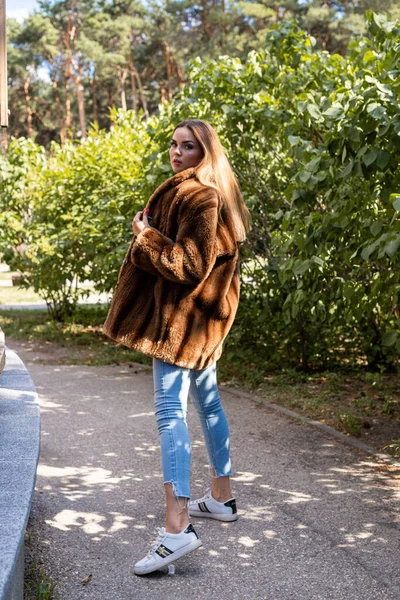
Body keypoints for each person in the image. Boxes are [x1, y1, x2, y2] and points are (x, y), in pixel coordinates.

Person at [103, 119, 250, 576]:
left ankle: (176, 528)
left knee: (170, 412)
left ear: (206, 152)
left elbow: (187, 264)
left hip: (180, 322)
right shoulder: (216, 194)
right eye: (174, 145)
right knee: (207, 402)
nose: (177, 152)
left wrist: (144, 236)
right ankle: (221, 499)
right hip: (204, 322)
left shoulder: (199, 196)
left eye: (188, 146)